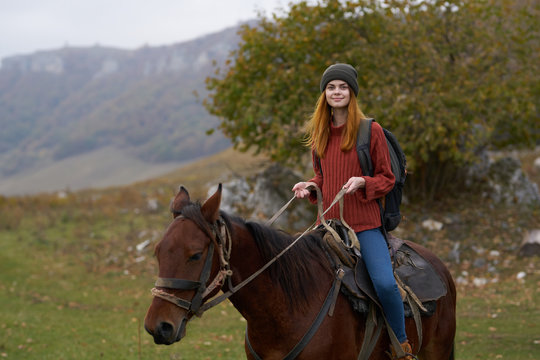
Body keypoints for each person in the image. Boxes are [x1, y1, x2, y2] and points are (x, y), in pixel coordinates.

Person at [292, 63, 413, 359]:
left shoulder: (369, 131)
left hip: (364, 225)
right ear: (324, 94)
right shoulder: (319, 134)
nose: (337, 92)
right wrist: (309, 186)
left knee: (384, 283)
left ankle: (401, 345)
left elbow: (388, 178)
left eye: (342, 87)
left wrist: (363, 181)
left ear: (352, 93)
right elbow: (323, 176)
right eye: (331, 87)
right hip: (328, 226)